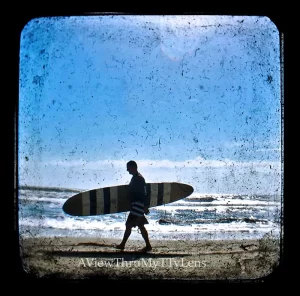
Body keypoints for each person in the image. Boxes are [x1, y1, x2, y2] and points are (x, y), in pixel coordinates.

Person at [116, 160, 152, 252]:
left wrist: (145, 206)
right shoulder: (135, 178)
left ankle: (123, 245)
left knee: (129, 225)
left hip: (138, 205)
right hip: (137, 205)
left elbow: (145, 193)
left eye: (128, 168)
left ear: (133, 167)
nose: (127, 170)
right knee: (140, 225)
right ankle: (148, 246)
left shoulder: (139, 178)